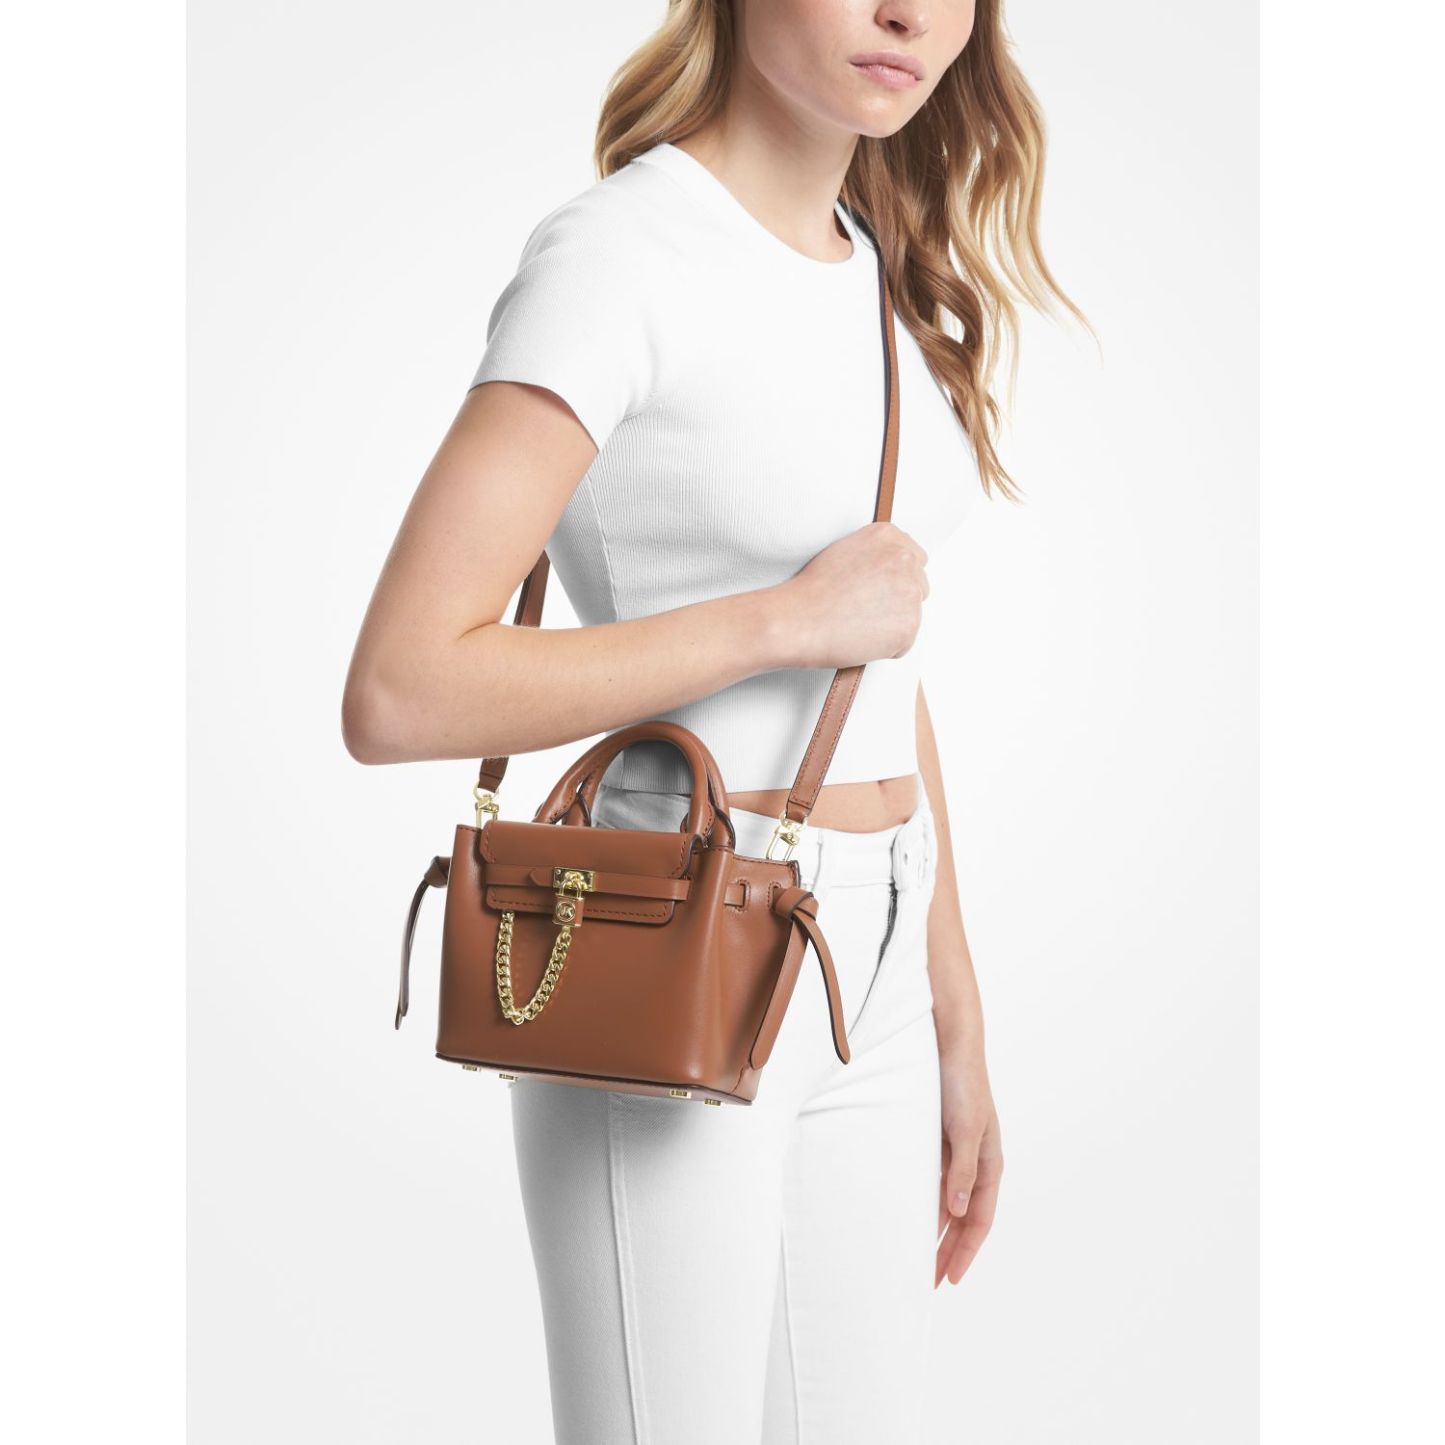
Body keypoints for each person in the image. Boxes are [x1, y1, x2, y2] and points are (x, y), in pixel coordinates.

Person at [342, 1, 1078, 1438]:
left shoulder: (875, 267)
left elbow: (877, 668)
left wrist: (951, 1008)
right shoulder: (621, 256)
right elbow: (401, 686)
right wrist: (780, 619)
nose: (907, 13)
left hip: (872, 955)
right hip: (673, 926)